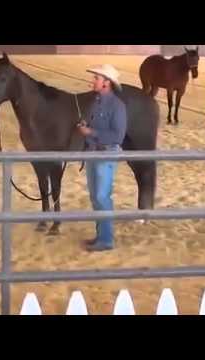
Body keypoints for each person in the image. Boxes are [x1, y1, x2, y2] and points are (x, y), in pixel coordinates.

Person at [77, 64, 127, 252]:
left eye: (97, 78)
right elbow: (92, 126)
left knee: (101, 196)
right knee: (95, 196)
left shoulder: (118, 106)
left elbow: (117, 136)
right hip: (93, 152)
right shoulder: (95, 102)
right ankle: (101, 235)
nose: (93, 81)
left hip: (107, 152)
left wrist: (90, 131)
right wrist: (85, 127)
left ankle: (106, 240)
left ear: (106, 83)